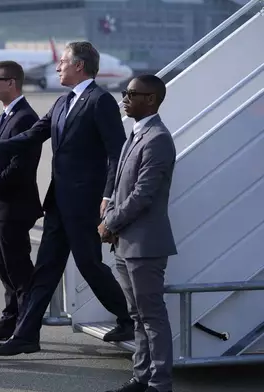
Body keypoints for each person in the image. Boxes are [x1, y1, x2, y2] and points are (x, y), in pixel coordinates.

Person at [0, 41, 134, 356]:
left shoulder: (100, 102)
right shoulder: (60, 103)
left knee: (89, 264)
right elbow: (29, 137)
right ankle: (26, 335)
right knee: (45, 268)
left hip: (85, 203)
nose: (57, 67)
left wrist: (109, 195)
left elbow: (117, 152)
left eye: (63, 62)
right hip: (58, 202)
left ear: (80, 66)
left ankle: (126, 318)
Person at [100, 75, 176, 392]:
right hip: (125, 244)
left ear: (151, 99)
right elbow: (121, 187)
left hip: (144, 244)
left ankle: (160, 384)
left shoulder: (157, 138)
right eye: (125, 92)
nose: (125, 98)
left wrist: (110, 222)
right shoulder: (135, 134)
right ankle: (142, 377)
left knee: (152, 317)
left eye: (131, 93)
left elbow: (143, 195)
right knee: (137, 317)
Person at [0, 61, 43, 341]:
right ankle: (10, 319)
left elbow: (21, 166)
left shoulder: (25, 117)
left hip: (13, 206)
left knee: (19, 270)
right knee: (5, 268)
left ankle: (26, 328)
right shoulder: (4, 116)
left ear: (11, 82)